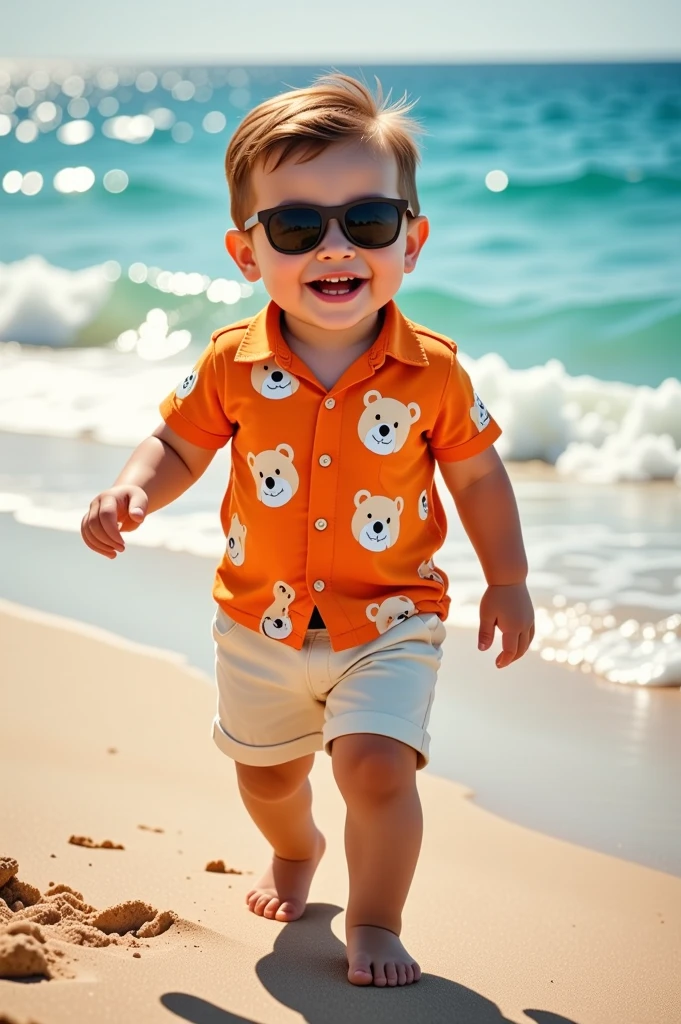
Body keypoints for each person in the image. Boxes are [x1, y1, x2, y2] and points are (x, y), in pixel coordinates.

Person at [81, 73, 535, 989]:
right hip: (260, 623)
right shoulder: (231, 363)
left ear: (412, 238)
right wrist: (134, 488)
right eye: (296, 227)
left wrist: (509, 578)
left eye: (366, 222)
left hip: (392, 619)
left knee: (374, 767)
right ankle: (296, 853)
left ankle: (374, 917)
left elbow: (479, 474)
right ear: (248, 254)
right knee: (270, 782)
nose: (335, 246)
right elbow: (177, 442)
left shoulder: (434, 374)